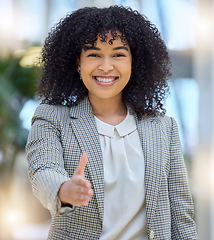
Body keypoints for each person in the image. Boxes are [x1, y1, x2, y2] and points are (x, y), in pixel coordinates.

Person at [26, 5, 198, 240]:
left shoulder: (163, 127)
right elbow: (43, 170)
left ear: (133, 62)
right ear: (77, 62)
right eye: (94, 54)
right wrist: (65, 190)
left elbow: (181, 217)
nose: (106, 66)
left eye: (118, 54)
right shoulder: (51, 118)